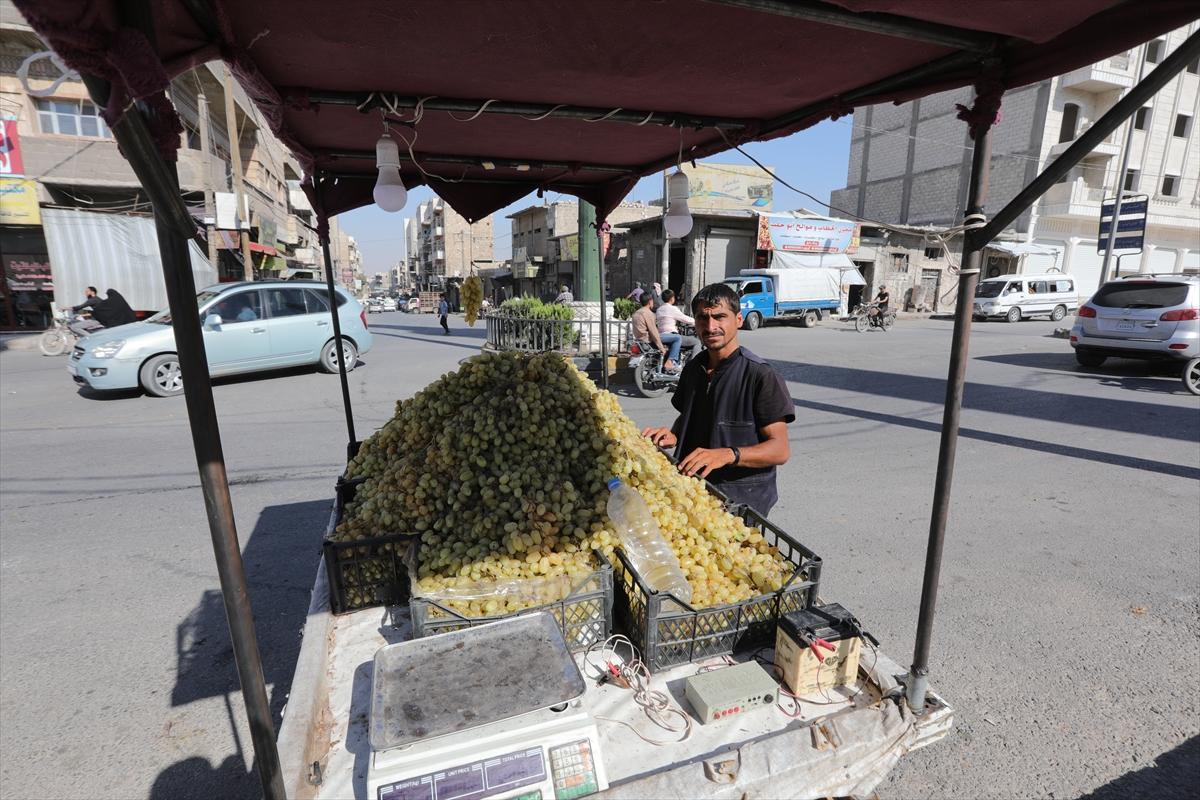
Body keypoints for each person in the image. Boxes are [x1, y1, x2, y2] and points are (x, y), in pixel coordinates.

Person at [642, 282, 793, 515]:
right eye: (703, 318)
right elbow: (689, 415)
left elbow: (780, 450)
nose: (711, 326)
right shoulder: (694, 368)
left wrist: (729, 454)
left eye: (720, 317)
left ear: (738, 320)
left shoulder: (760, 375)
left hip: (741, 502)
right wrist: (674, 435)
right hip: (693, 494)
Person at [655, 289, 701, 372]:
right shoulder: (672, 309)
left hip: (662, 336)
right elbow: (685, 318)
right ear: (672, 298)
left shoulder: (659, 310)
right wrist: (697, 321)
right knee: (697, 342)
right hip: (671, 335)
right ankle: (693, 366)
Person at [70, 286, 136, 337]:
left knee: (74, 327)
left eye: (87, 291)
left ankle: (90, 338)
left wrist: (84, 314)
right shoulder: (119, 303)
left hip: (100, 321)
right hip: (121, 324)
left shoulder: (96, 300)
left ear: (92, 292)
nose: (85, 293)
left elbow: (95, 311)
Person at [630, 293, 666, 361]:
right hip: (647, 342)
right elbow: (653, 332)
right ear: (650, 301)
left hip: (638, 341)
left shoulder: (636, 313)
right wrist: (661, 348)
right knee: (676, 338)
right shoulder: (648, 313)